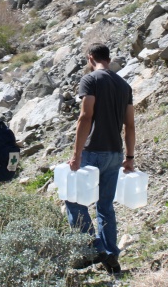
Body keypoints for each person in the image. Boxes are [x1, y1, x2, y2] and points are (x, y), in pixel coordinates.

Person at [66, 43, 136, 274]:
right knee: (105, 206)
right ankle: (112, 257)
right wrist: (130, 156)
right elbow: (130, 125)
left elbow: (85, 117)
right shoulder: (124, 85)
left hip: (92, 150)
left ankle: (97, 248)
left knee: (74, 201)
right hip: (115, 153)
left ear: (90, 58)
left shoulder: (91, 80)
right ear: (108, 57)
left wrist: (76, 154)